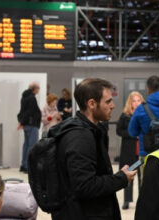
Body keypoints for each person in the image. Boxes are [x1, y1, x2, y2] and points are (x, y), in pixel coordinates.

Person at [49, 78, 137, 220]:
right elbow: (85, 185)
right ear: (91, 104)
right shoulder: (80, 138)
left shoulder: (92, 131)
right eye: (108, 101)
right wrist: (121, 179)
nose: (113, 105)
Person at [128, 76, 159, 187]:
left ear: (148, 89)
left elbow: (132, 132)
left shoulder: (141, 109)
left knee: (146, 188)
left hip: (147, 154)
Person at [116, 91, 144, 210]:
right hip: (129, 151)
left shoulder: (144, 114)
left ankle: (142, 201)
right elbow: (119, 131)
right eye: (134, 101)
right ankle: (127, 201)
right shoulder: (125, 116)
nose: (136, 103)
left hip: (141, 151)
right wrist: (132, 134)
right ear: (130, 103)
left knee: (142, 177)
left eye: (138, 100)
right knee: (129, 175)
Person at [17, 82, 42, 173]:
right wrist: (22, 122)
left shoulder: (24, 97)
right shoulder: (32, 98)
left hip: (26, 125)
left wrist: (21, 122)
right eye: (38, 88)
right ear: (34, 88)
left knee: (26, 145)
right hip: (32, 125)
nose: (39, 90)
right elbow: (30, 112)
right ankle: (28, 167)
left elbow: (23, 111)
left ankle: (23, 165)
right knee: (31, 146)